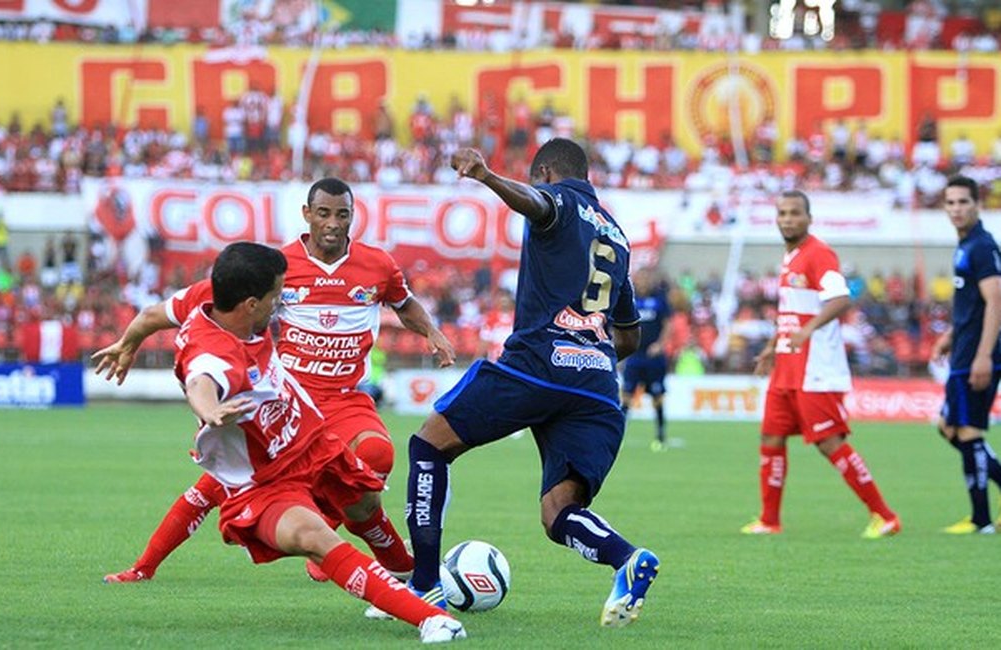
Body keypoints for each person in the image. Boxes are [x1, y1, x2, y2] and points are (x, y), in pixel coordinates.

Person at [97, 178, 454, 587]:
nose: (333, 223)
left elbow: (404, 304)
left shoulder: (378, 265)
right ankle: (143, 567)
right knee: (212, 487)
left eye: (342, 214)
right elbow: (187, 306)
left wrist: (433, 332)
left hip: (345, 400)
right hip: (286, 402)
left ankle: (337, 538)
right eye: (324, 213)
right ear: (307, 215)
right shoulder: (275, 270)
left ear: (353, 216)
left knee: (376, 454)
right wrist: (130, 340)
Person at [404, 139, 660, 629]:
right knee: (558, 512)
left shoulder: (560, 203)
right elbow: (629, 335)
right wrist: (593, 358)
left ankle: (423, 585)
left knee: (429, 446)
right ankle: (626, 559)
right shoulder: (619, 239)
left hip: (537, 364)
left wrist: (487, 177)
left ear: (544, 171)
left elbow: (538, 204)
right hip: (597, 389)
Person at [164, 242, 464, 643]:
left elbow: (153, 314)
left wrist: (128, 344)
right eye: (277, 297)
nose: (281, 306)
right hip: (266, 483)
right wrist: (210, 409)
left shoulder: (220, 303)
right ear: (253, 303)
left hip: (311, 444)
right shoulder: (217, 352)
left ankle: (408, 573)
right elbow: (203, 379)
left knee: (364, 504)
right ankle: (429, 617)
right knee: (316, 539)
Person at [743, 191, 900, 539]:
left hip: (815, 369)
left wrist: (808, 330)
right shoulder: (790, 258)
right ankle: (770, 520)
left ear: (808, 218)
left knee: (829, 442)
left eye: (795, 213)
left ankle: (885, 515)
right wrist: (772, 347)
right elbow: (789, 312)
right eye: (782, 212)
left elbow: (841, 298)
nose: (787, 218)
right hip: (787, 365)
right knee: (770, 436)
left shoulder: (818, 253)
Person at [930, 176, 1001, 534]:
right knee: (949, 428)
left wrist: (984, 355)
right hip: (963, 350)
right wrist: (951, 335)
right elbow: (971, 306)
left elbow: (996, 301)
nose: (956, 209)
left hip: (977, 355)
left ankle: (981, 520)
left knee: (968, 431)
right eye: (950, 203)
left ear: (977, 204)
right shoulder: (965, 246)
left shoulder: (981, 247)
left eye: (963, 202)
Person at [619, 267, 672, 452]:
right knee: (626, 397)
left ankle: (660, 437)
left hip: (653, 358)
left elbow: (668, 325)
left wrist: (660, 344)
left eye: (645, 278)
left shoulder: (659, 298)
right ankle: (618, 436)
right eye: (639, 278)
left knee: (657, 397)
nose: (642, 282)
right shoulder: (629, 298)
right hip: (634, 356)